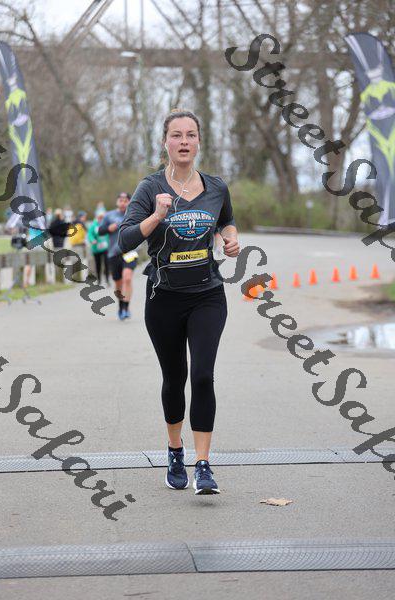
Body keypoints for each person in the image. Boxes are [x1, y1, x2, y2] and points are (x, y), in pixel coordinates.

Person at [118, 108, 240, 495]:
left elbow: (227, 220)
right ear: (165, 142)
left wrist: (231, 238)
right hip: (164, 298)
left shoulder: (216, 187)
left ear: (199, 141)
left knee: (203, 375)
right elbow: (125, 240)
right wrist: (157, 215)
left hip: (207, 294)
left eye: (190, 135)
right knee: (175, 379)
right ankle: (175, 451)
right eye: (176, 135)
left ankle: (203, 464)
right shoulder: (149, 187)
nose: (184, 141)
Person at [98, 193, 138, 320]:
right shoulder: (109, 215)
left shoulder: (134, 214)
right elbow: (99, 231)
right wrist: (108, 229)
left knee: (127, 278)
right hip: (113, 253)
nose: (123, 203)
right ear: (117, 202)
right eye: (121, 200)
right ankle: (121, 306)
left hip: (130, 252)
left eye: (125, 200)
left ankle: (126, 308)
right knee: (118, 282)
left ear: (130, 202)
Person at [87, 211, 110, 285]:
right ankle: (99, 280)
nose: (101, 219)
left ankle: (107, 280)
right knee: (98, 264)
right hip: (96, 248)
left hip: (105, 247)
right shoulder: (93, 225)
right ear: (97, 217)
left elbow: (109, 232)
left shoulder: (105, 224)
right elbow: (89, 234)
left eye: (102, 217)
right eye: (99, 217)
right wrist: (92, 240)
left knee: (106, 264)